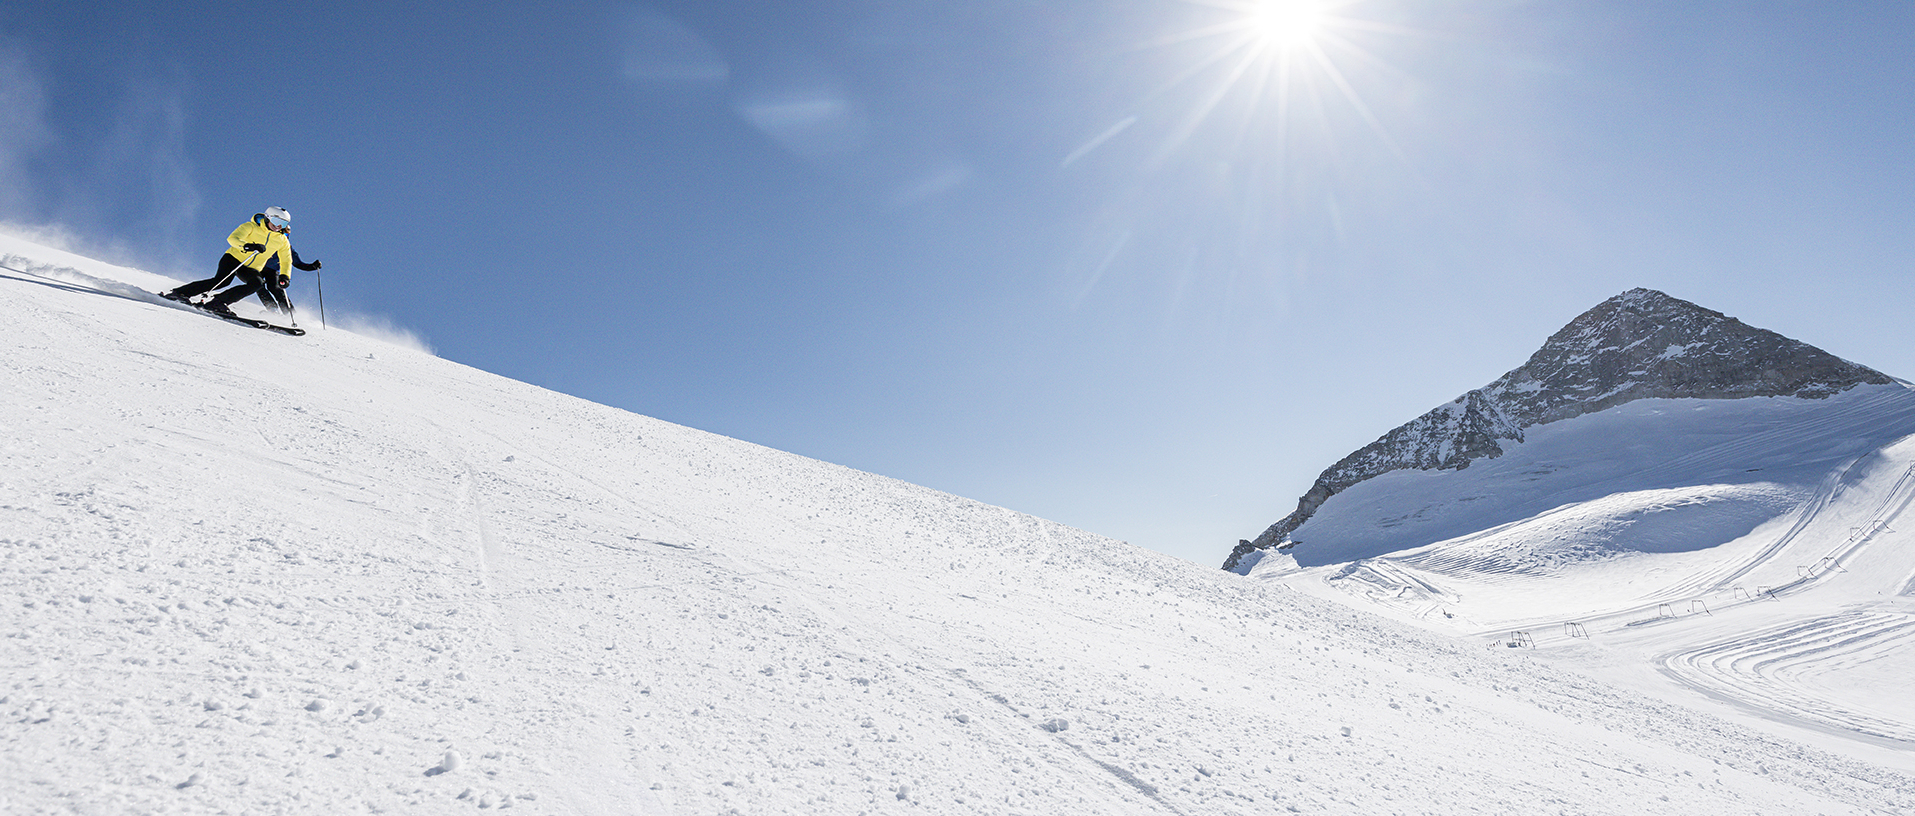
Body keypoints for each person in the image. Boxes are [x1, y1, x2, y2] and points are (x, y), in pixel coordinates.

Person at [162, 206, 320, 317]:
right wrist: (247, 246)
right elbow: (232, 238)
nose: (279, 226)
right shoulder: (251, 226)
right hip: (234, 258)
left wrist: (285, 276)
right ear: (268, 217)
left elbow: (286, 259)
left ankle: (218, 303)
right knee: (221, 281)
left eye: (283, 224)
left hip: (251, 267)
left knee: (257, 284)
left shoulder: (282, 240)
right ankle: (180, 293)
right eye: (277, 221)